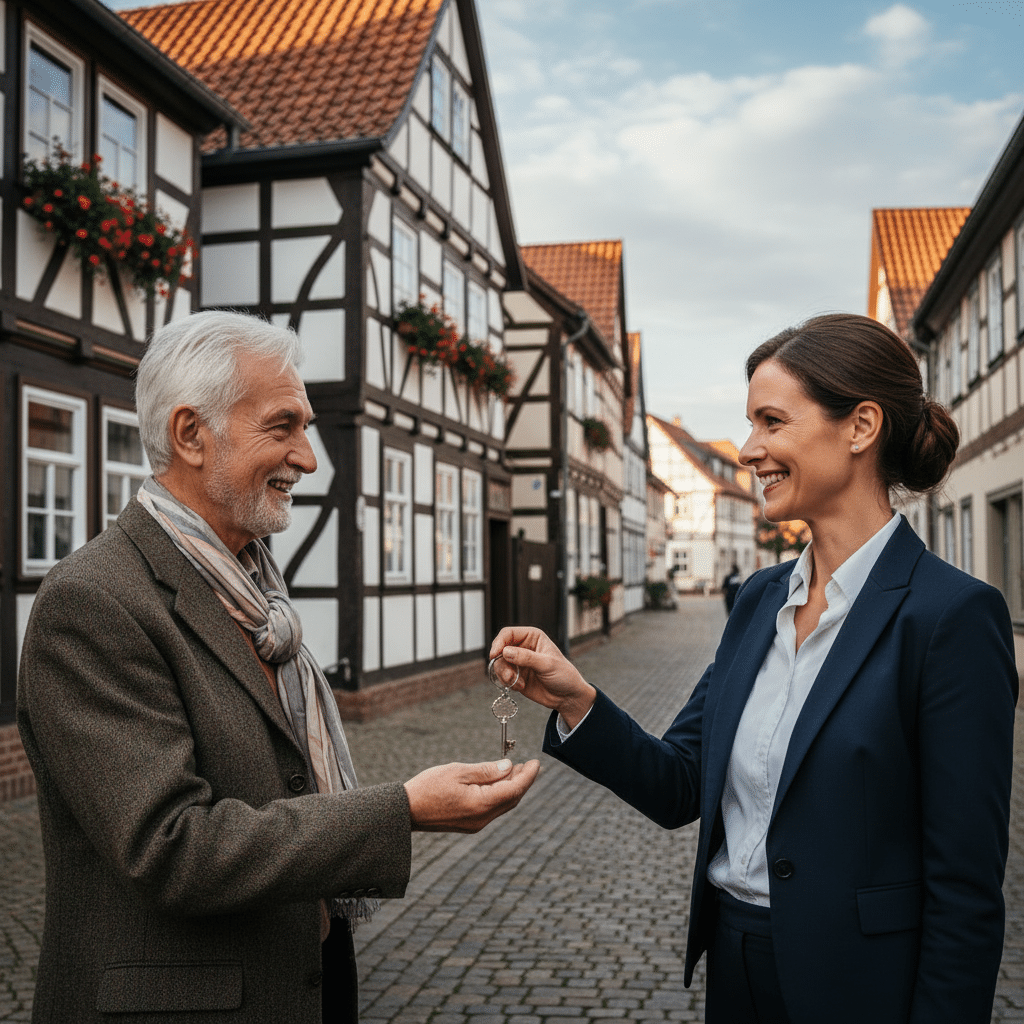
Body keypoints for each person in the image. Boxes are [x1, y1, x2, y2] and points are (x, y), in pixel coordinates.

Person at [489, 313, 1018, 1024]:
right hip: (736, 967)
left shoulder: (951, 617)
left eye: (772, 422)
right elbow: (681, 783)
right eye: (750, 425)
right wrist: (577, 699)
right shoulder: (760, 600)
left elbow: (966, 890)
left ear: (861, 427)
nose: (747, 450)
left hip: (863, 987)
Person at [17, 310, 540, 1024]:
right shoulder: (94, 600)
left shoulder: (254, 590)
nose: (309, 458)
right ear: (191, 434)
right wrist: (404, 809)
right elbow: (172, 849)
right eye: (282, 426)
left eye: (306, 428)